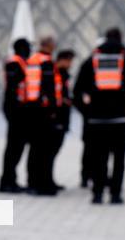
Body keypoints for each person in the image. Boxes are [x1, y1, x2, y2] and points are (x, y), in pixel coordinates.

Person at [74, 27, 125, 205]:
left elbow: (77, 90)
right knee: (119, 160)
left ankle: (97, 194)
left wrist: (87, 112)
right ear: (121, 38)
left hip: (96, 120)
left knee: (99, 158)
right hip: (120, 120)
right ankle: (115, 195)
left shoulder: (91, 61)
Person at [0, 38, 31, 193]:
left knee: (16, 147)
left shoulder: (20, 63)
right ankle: (7, 181)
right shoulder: (14, 63)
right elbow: (13, 88)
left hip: (18, 109)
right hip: (15, 110)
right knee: (13, 147)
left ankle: (10, 180)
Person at [25, 36, 57, 195]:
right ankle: (42, 184)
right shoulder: (46, 62)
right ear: (49, 46)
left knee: (34, 149)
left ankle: (32, 182)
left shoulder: (31, 60)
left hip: (31, 107)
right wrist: (53, 109)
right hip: (43, 110)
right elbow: (49, 87)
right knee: (44, 150)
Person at [43, 49, 75, 191]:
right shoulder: (55, 74)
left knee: (53, 151)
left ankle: (49, 180)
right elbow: (53, 95)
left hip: (61, 117)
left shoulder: (62, 75)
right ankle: (46, 181)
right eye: (69, 61)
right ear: (63, 60)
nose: (70, 64)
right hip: (55, 117)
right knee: (49, 152)